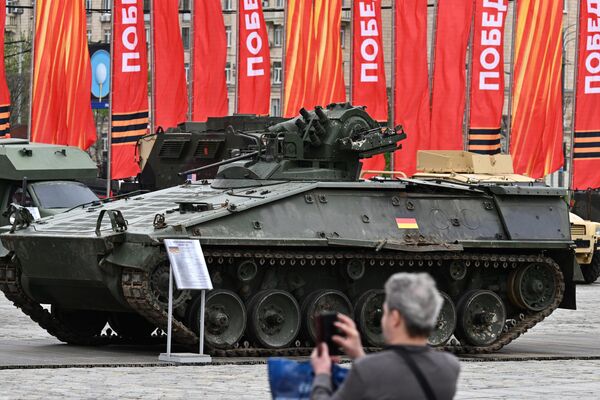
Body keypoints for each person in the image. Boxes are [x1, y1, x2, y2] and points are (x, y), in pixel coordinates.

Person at [310, 272, 460, 400]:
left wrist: (322, 374)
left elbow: (378, 376)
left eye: (385, 312)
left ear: (395, 319)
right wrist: (359, 356)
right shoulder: (450, 367)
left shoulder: (366, 370)